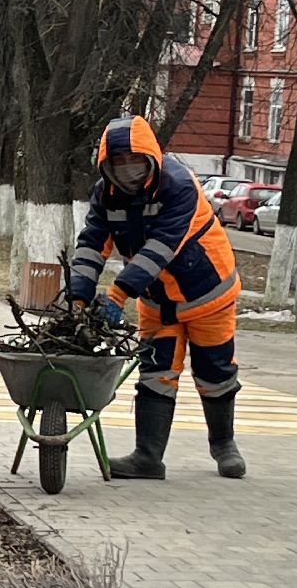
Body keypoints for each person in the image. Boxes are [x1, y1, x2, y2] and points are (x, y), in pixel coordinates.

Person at [66, 114, 245, 481]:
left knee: (215, 373)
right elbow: (91, 245)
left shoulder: (177, 185)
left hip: (207, 293)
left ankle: (224, 446)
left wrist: (117, 295)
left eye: (136, 160)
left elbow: (162, 248)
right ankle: (148, 457)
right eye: (119, 163)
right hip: (156, 301)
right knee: (156, 374)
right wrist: (78, 300)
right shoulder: (106, 194)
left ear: (152, 158)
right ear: (106, 165)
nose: (129, 170)